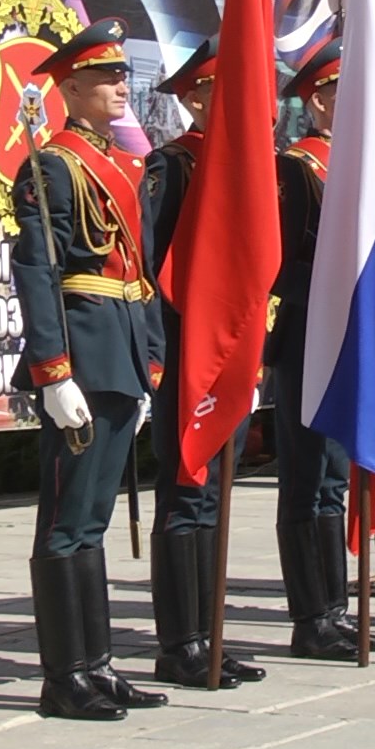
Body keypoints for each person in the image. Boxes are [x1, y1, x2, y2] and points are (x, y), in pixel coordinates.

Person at [10, 17, 168, 721]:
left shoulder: (125, 165)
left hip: (123, 354)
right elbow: (38, 270)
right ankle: (63, 675)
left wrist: (152, 365)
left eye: (120, 75)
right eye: (104, 77)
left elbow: (143, 274)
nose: (118, 86)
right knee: (66, 522)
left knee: (95, 521)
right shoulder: (53, 165)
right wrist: (53, 372)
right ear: (69, 88)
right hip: (81, 355)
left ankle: (97, 665)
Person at [268, 41, 375, 661]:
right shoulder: (297, 168)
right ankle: (310, 617)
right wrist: (332, 294)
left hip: (350, 340)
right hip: (306, 339)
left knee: (333, 484)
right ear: (321, 100)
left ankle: (336, 611)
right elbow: (279, 266)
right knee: (306, 480)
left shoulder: (361, 171)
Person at [141, 39, 264, 689]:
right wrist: (158, 361)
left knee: (213, 498)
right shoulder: (173, 168)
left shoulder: (248, 169)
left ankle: (209, 636)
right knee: (186, 497)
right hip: (189, 359)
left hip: (233, 360)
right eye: (226, 90)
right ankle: (179, 643)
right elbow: (147, 269)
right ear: (194, 98)